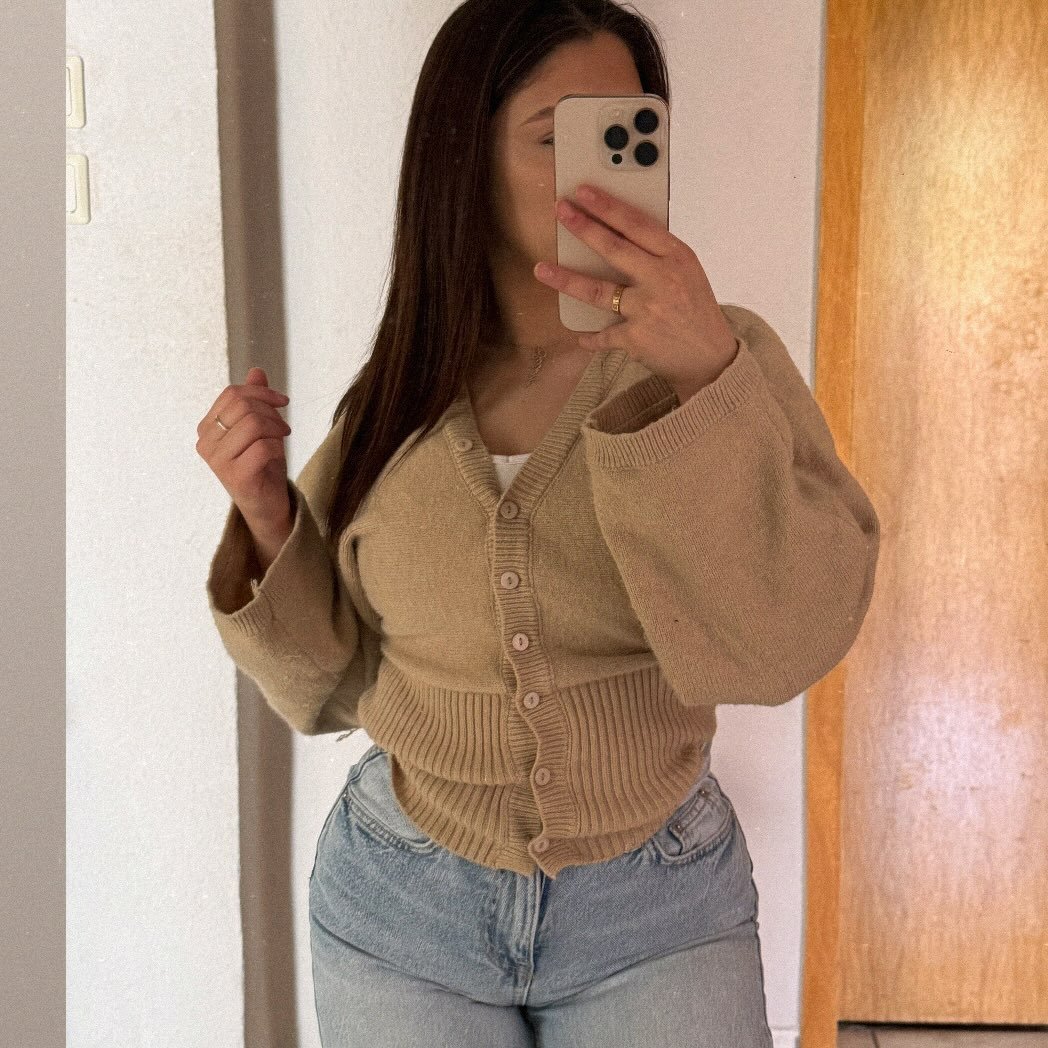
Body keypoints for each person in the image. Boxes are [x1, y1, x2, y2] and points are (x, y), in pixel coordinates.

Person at [197, 1, 881, 1045]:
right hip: (401, 908)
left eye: (629, 130)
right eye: (559, 136)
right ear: (463, 157)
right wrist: (263, 514)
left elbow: (781, 646)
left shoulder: (720, 362)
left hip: (658, 912)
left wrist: (704, 377)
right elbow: (325, 685)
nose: (600, 174)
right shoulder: (400, 389)